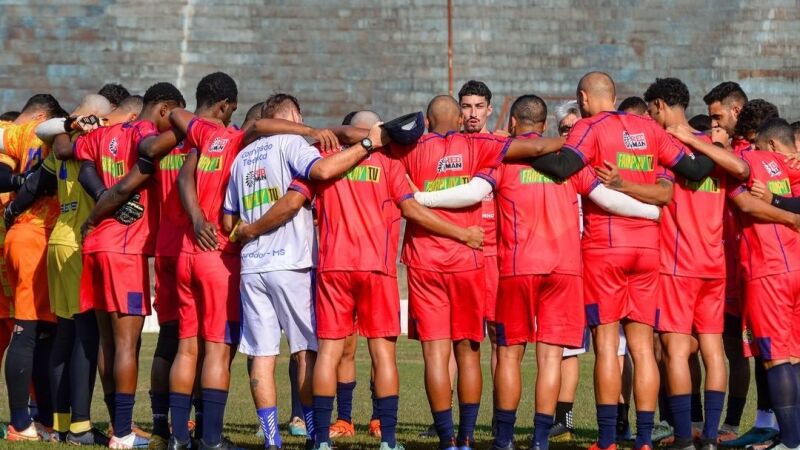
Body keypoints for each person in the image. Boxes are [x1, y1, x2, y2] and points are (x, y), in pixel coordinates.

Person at [525, 71, 719, 450]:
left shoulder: (590, 127)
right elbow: (695, 170)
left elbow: (563, 167)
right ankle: (645, 439)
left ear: (583, 97)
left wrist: (519, 149)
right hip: (649, 250)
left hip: (605, 249)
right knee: (643, 348)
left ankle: (607, 438)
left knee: (606, 345)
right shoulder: (649, 128)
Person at [220, 93, 370, 450]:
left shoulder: (241, 159)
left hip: (252, 266)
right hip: (291, 263)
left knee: (262, 355)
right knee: (306, 350)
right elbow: (321, 171)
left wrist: (248, 230)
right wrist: (366, 145)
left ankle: (272, 439)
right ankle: (316, 435)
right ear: (293, 114)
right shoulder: (291, 143)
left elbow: (228, 219)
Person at [77, 84, 185, 449]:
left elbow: (78, 162)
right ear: (164, 109)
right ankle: (122, 433)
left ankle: (117, 427)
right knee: (127, 344)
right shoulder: (145, 131)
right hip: (125, 249)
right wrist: (103, 207)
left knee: (109, 342)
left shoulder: (104, 133)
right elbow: (141, 162)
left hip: (96, 248)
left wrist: (96, 209)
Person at [643, 77, 747, 450]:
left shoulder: (665, 145)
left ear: (657, 106)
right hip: (713, 265)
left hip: (676, 264)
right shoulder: (714, 145)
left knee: (674, 351)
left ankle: (686, 437)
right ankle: (712, 436)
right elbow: (740, 169)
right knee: (713, 349)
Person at [14, 94, 114, 445]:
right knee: (86, 338)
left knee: (65, 336)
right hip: (78, 243)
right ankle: (80, 427)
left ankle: (60, 422)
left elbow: (47, 132)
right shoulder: (92, 140)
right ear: (98, 117)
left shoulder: (61, 142)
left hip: (59, 240)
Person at [718, 117, 800, 450]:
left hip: (766, 273)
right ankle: (792, 437)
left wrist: (696, 140)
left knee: (775, 359)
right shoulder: (789, 167)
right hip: (795, 267)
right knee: (793, 356)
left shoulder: (749, 161)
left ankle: (792, 442)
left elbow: (740, 187)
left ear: (768, 144)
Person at [0, 93, 67, 442]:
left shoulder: (14, 133)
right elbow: (58, 127)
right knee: (27, 331)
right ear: (43, 115)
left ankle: (40, 419)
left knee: (41, 332)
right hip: (34, 237)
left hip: (24, 238)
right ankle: (19, 423)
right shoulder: (42, 130)